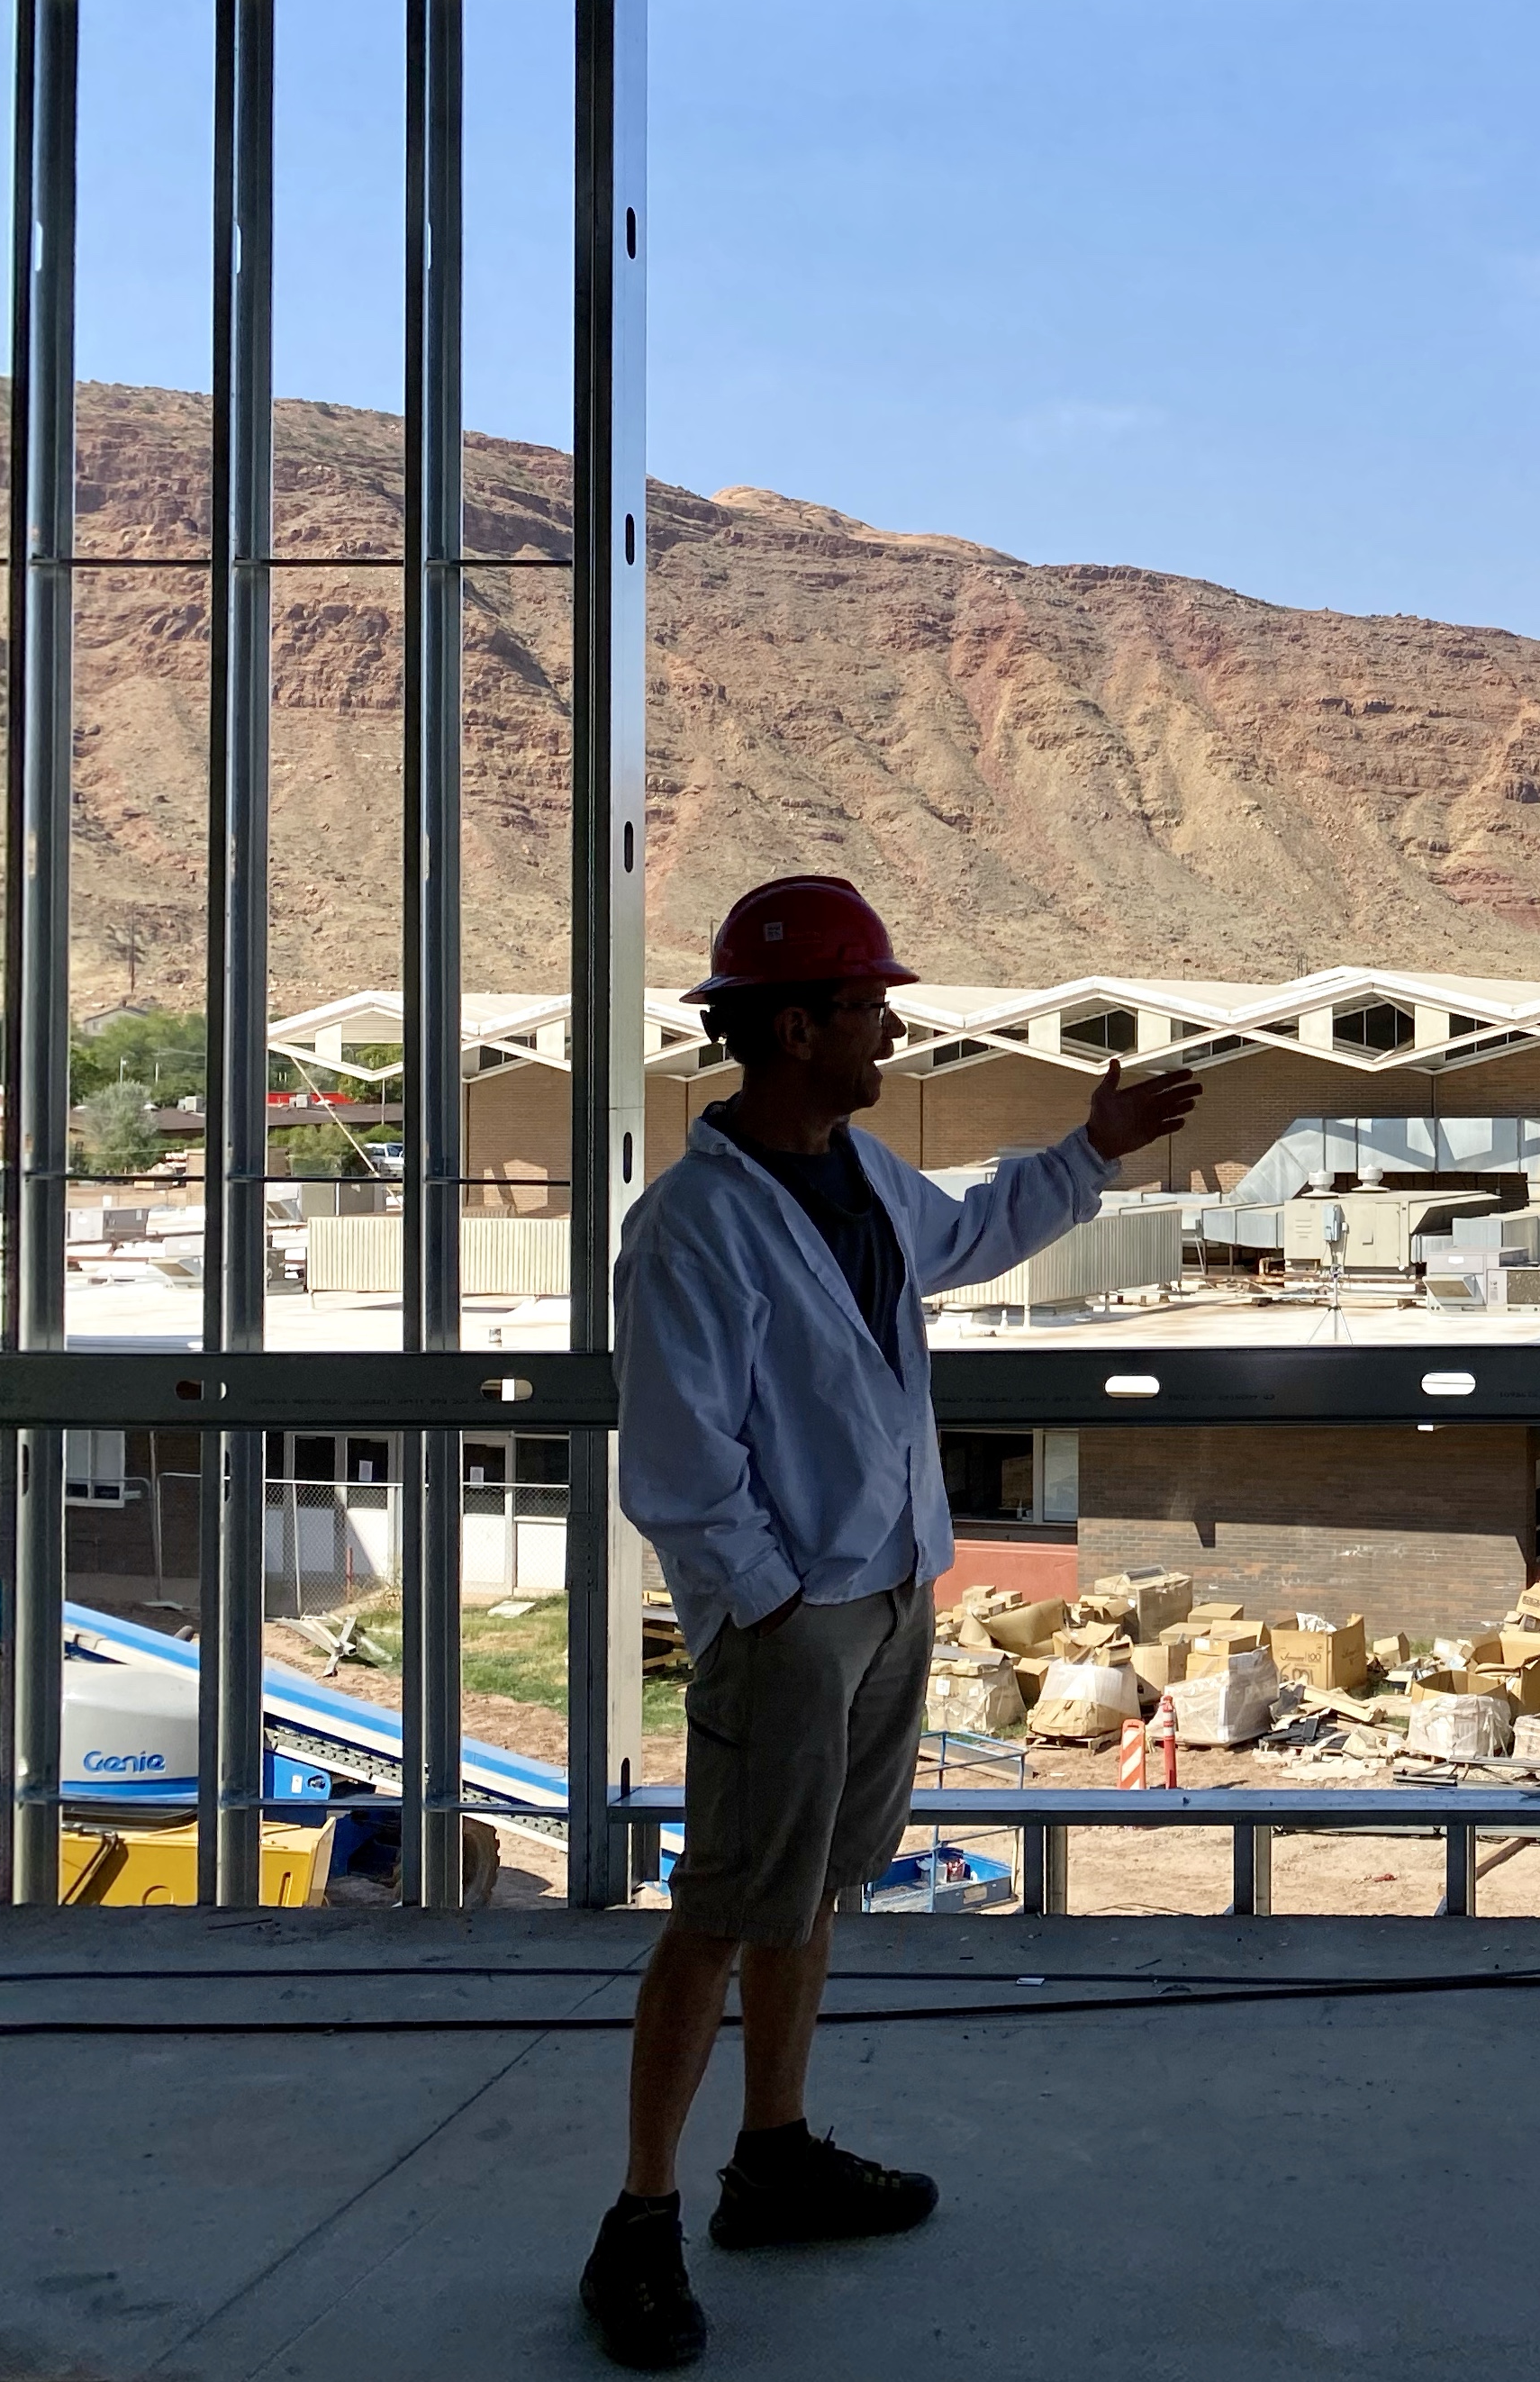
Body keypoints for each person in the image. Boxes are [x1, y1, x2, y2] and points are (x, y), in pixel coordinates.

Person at [579, 874, 1202, 2370]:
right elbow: (676, 1465)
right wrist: (779, 1603)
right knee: (724, 1906)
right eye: (870, 1007)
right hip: (791, 1624)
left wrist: (1090, 1155)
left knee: (811, 1893)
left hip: (884, 1601)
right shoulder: (694, 1228)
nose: (892, 1030)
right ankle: (641, 2223)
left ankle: (775, 2155)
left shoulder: (859, 1179)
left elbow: (974, 1233)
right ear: (795, 1027)